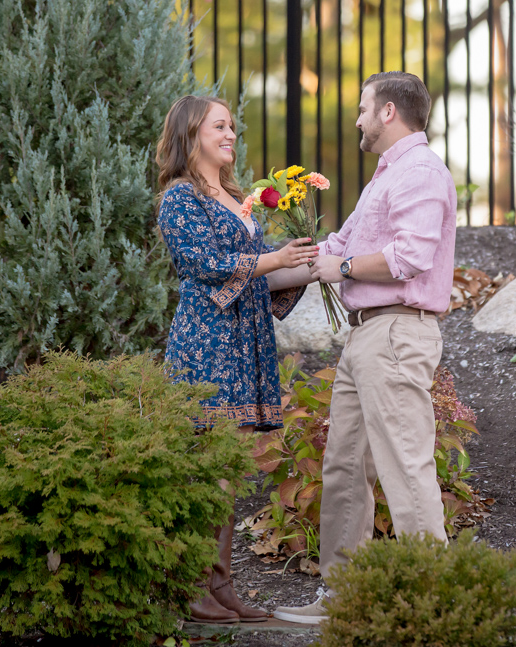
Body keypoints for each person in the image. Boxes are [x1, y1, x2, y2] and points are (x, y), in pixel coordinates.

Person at [273, 71, 457, 624]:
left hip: (398, 331)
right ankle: (344, 597)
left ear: (387, 113)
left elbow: (411, 256)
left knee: (404, 464)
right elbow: (338, 244)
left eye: (361, 108)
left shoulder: (421, 171)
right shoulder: (386, 176)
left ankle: (436, 606)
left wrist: (343, 267)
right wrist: (264, 267)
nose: (356, 118)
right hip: (365, 335)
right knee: (345, 467)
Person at [156, 95, 319, 623]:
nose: (231, 134)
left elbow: (261, 273)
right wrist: (272, 258)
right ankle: (189, 586)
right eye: (219, 126)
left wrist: (310, 264)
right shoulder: (179, 199)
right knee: (208, 467)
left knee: (229, 467)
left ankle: (220, 586)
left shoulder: (234, 197)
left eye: (232, 126)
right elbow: (205, 264)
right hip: (207, 345)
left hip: (245, 343)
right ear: (191, 134)